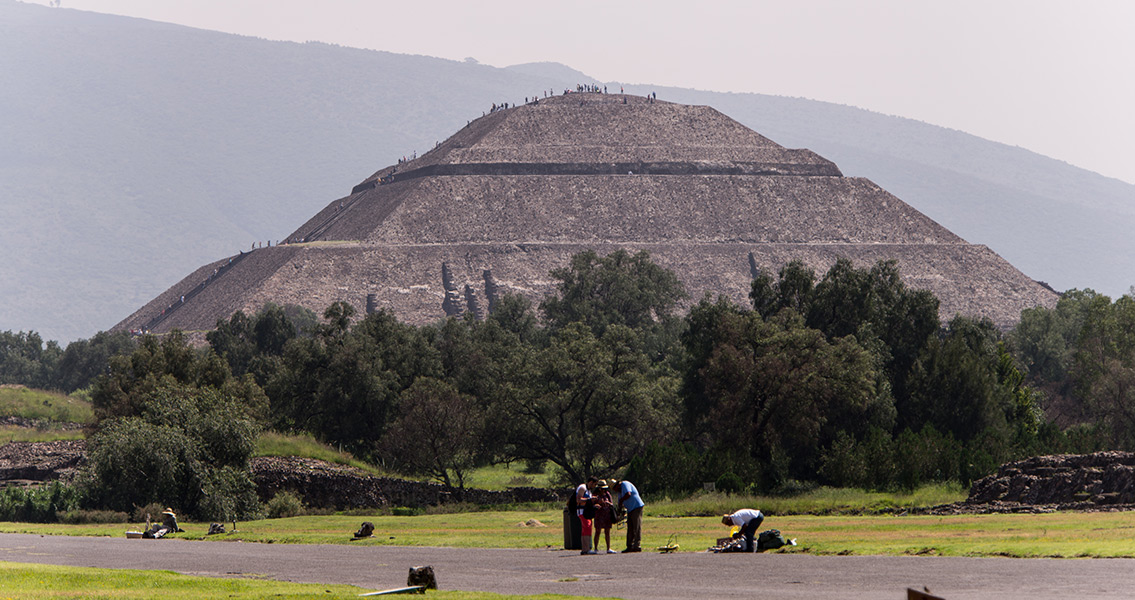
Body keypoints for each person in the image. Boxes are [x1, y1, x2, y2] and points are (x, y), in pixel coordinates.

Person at [617, 479, 644, 552]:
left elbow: (628, 494)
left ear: (617, 485)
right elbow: (620, 503)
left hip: (636, 506)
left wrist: (622, 500)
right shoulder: (619, 492)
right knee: (630, 527)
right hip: (630, 509)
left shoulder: (624, 484)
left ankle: (637, 545)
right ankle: (630, 545)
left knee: (636, 526)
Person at [576, 476, 599, 554]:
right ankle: (586, 549)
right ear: (591, 482)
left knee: (586, 530)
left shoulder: (589, 491)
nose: (594, 486)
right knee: (587, 529)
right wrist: (589, 500)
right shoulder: (583, 488)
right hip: (582, 512)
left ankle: (585, 549)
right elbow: (578, 500)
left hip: (587, 512)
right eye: (594, 484)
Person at [592, 480, 616, 553]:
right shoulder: (595, 495)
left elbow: (612, 504)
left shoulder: (607, 494)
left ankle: (608, 548)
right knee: (598, 531)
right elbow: (591, 504)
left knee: (607, 531)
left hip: (607, 514)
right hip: (599, 515)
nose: (604, 490)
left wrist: (608, 503)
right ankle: (595, 548)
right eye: (602, 489)